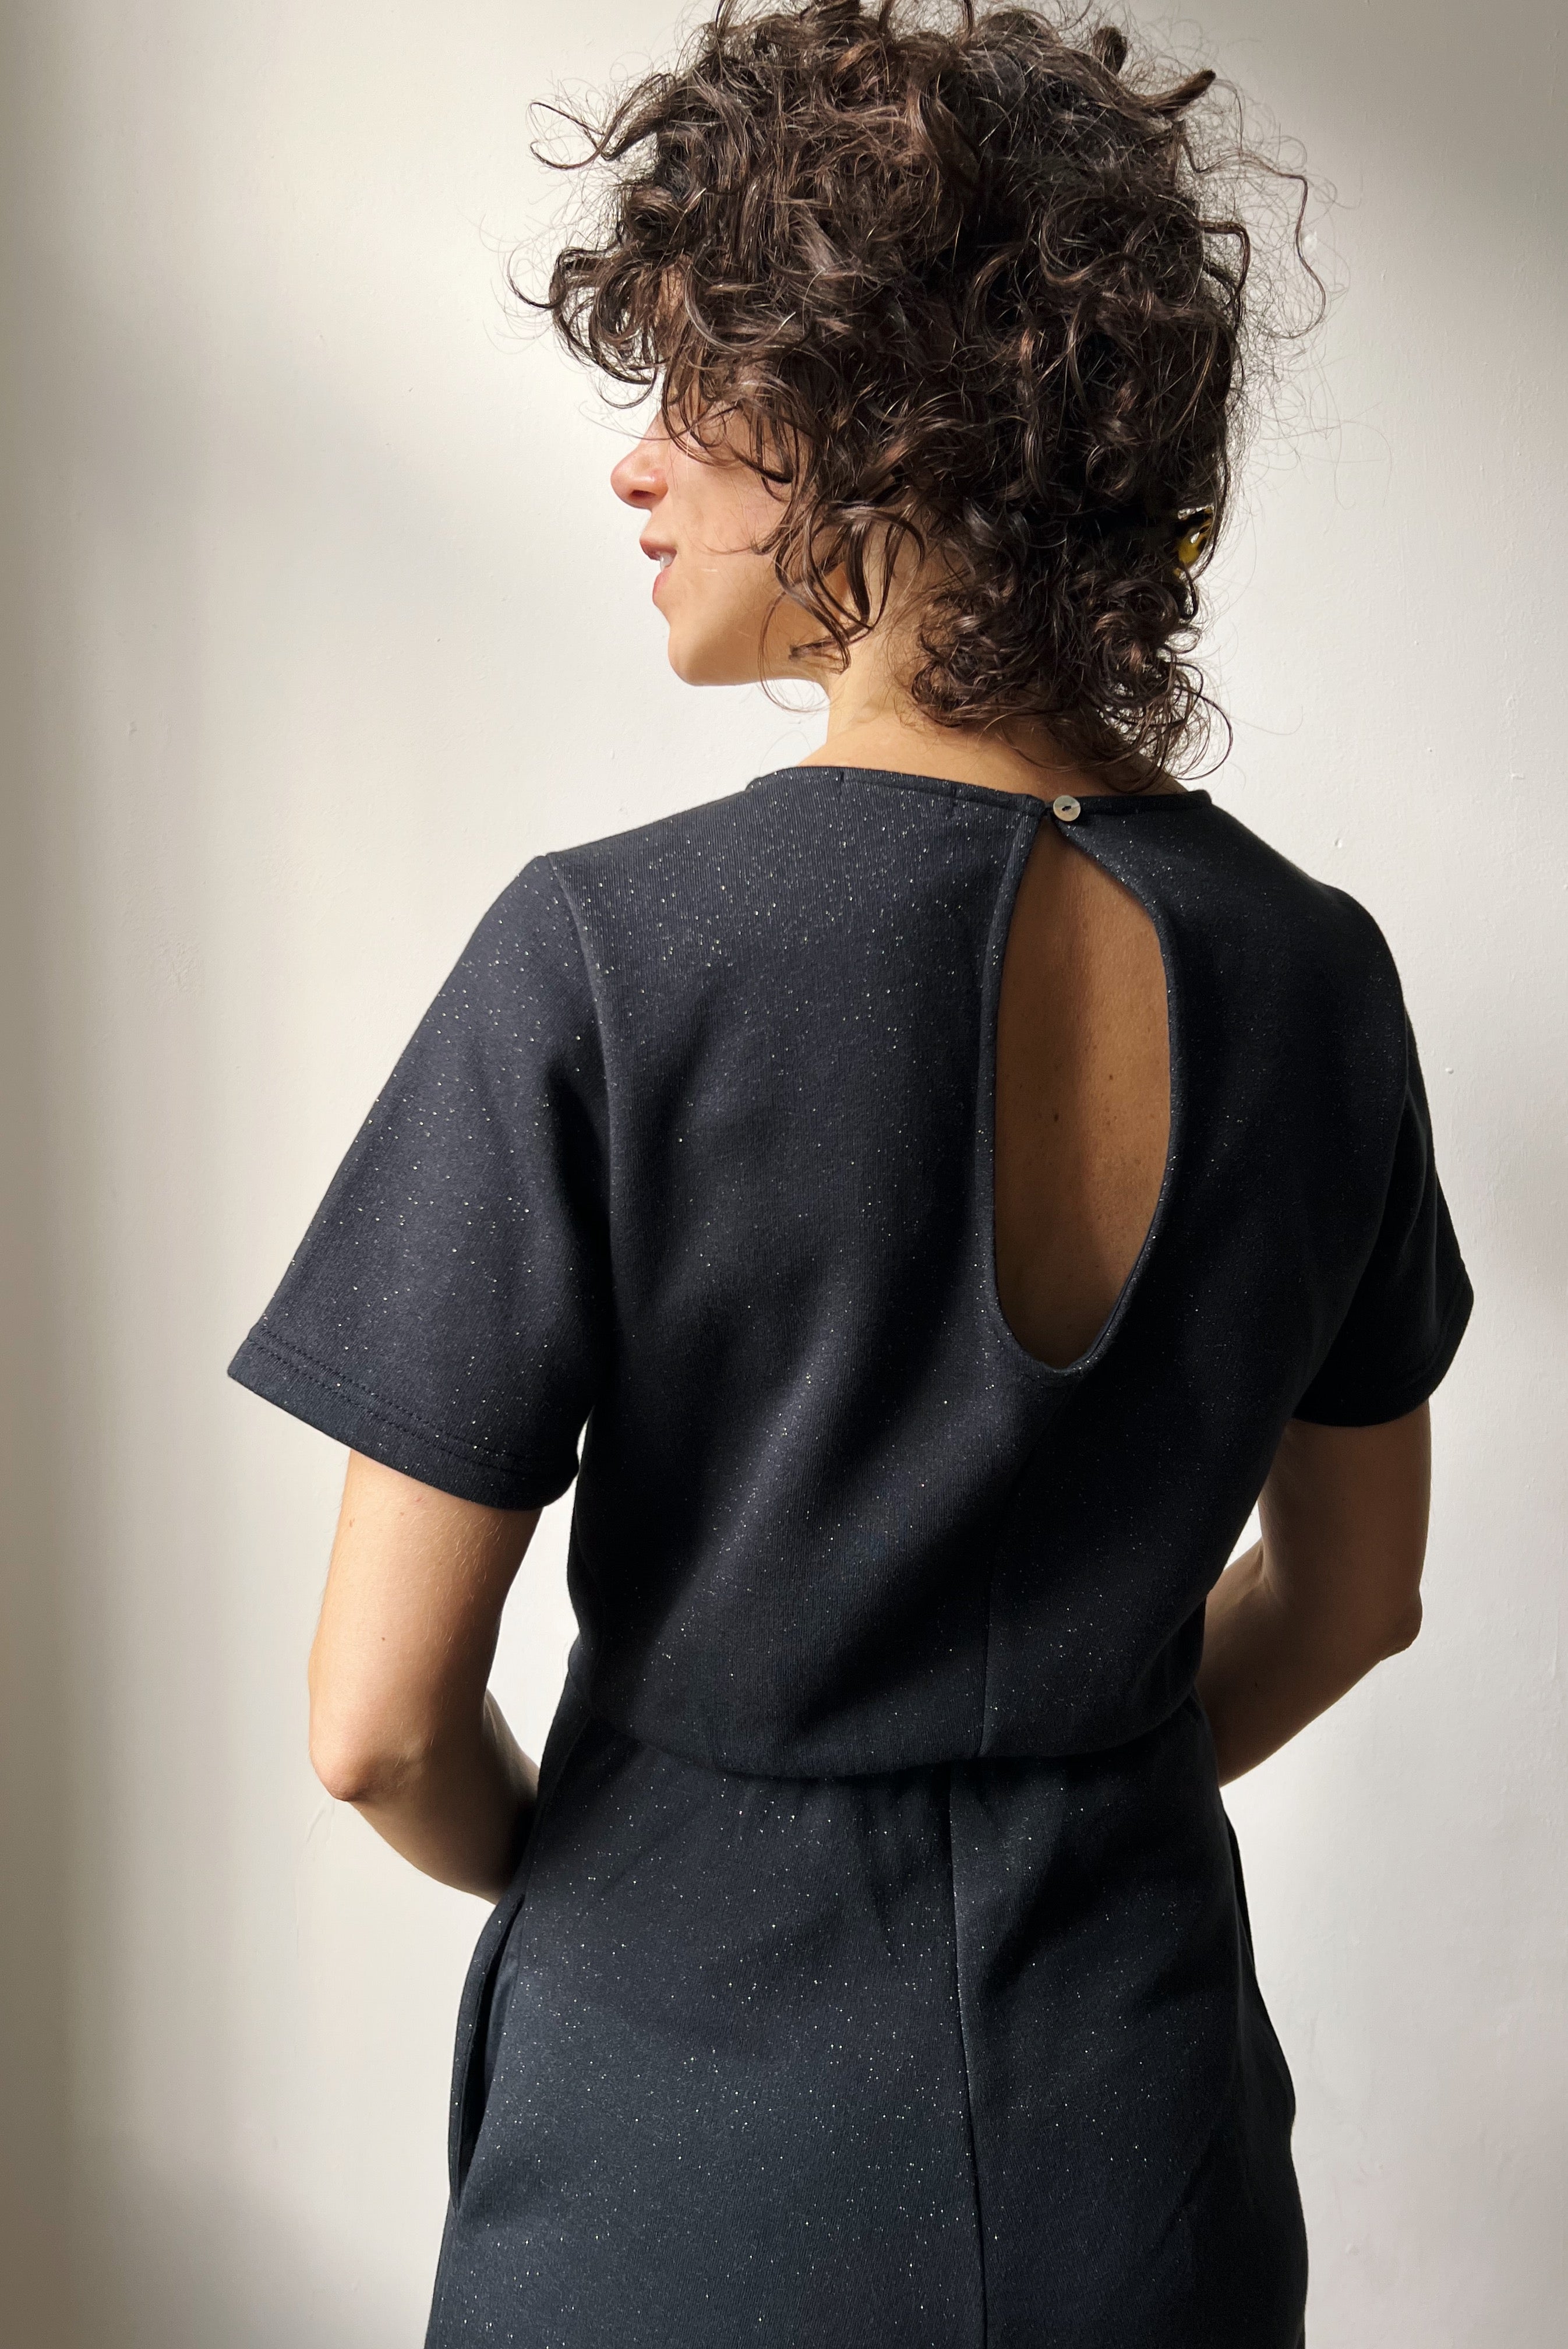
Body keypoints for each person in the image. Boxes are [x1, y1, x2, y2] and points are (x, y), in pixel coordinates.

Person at [228, 5, 1472, 2343]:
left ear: (895, 430)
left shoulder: (605, 957)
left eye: (706, 387)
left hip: (671, 2177)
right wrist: (1041, 1808)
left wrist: (643, 1893)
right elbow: (1351, 1597)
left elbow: (376, 1722)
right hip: (1144, 2154)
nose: (642, 474)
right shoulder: (1318, 976)